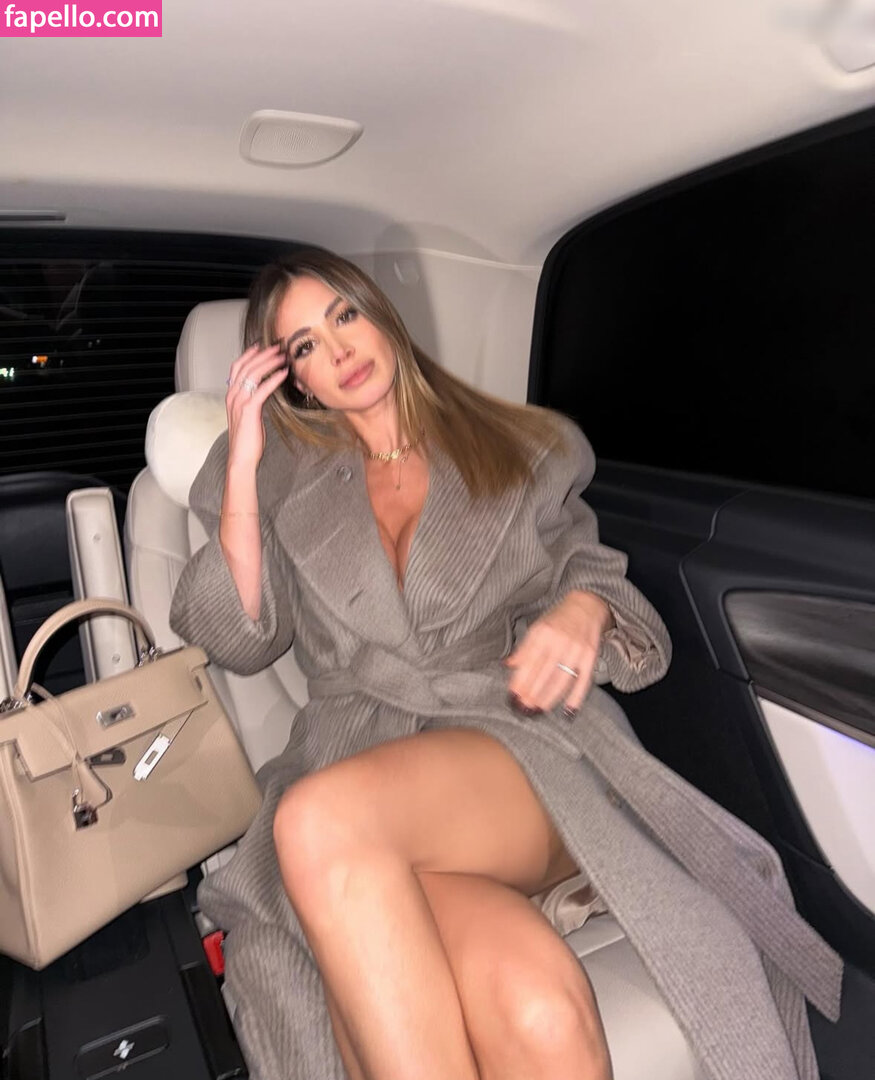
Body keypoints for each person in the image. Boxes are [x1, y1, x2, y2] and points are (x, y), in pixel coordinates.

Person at [170, 248, 841, 1080]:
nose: (337, 349)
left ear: (380, 315)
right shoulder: (278, 480)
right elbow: (235, 638)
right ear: (294, 379)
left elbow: (593, 574)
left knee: (313, 822)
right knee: (539, 1011)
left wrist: (582, 609)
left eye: (344, 315)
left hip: (507, 748)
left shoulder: (519, 445)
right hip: (357, 758)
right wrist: (243, 458)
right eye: (304, 345)